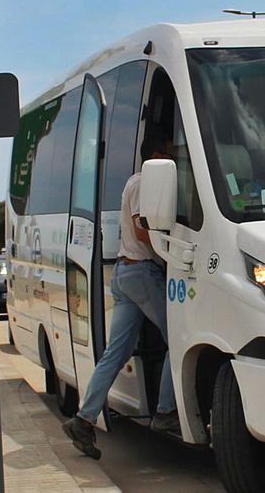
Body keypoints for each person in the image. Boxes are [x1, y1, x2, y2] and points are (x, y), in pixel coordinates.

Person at [63, 130, 179, 459]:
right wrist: (168, 255)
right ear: (158, 157)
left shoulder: (132, 182)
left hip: (125, 273)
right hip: (141, 272)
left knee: (116, 353)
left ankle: (83, 420)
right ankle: (166, 412)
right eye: (169, 155)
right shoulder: (145, 183)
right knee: (179, 339)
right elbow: (143, 230)